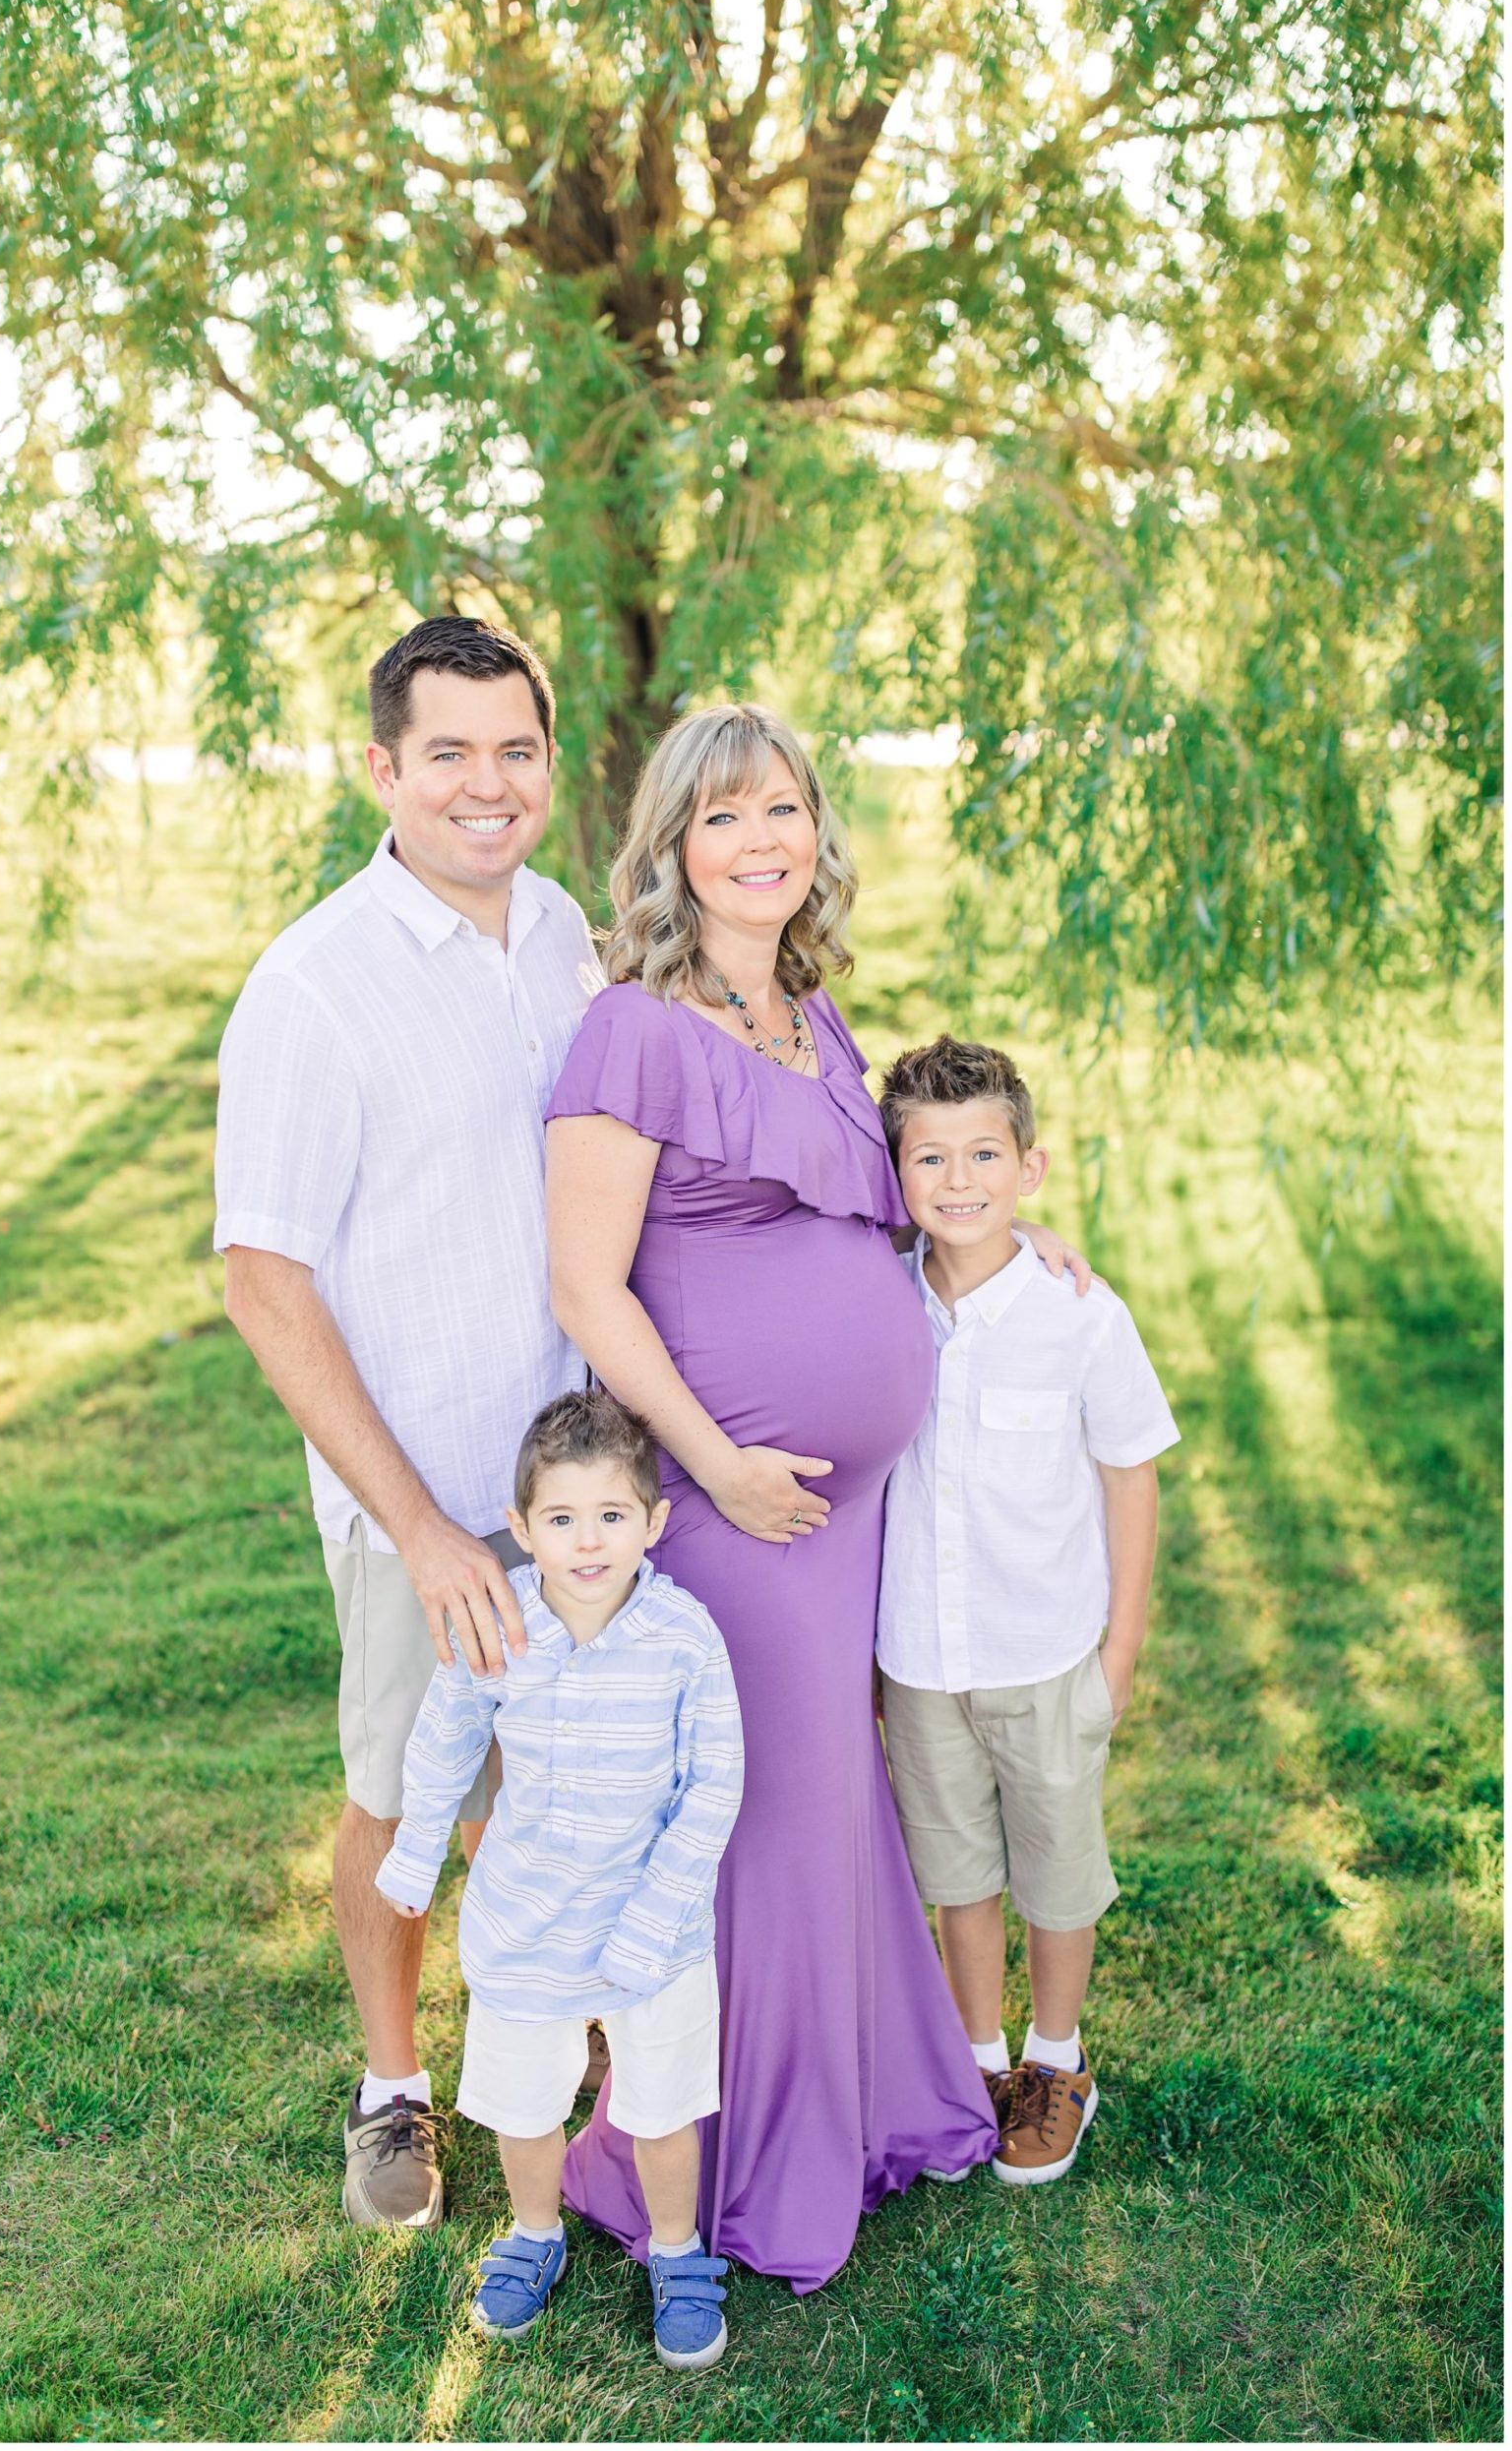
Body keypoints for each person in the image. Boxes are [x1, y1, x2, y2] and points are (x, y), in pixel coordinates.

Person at [542, 702, 1091, 2295]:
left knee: (827, 1802)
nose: (760, 840)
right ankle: (736, 2159)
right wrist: (711, 1462)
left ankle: (859, 2103)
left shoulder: (819, 1017)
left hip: (840, 1510)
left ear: (814, 830)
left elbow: (894, 1213)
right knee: (761, 1814)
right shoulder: (631, 1029)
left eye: (781, 807)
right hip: (729, 1498)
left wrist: (1018, 1250)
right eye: (722, 818)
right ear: (671, 847)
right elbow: (588, 1286)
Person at [213, 616, 602, 2231]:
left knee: (559, 1784)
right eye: (446, 752)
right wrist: (426, 1527)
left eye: (513, 749)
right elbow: (261, 1280)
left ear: (548, 767)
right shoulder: (313, 988)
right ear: (382, 769)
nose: (484, 783)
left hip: (575, 1485)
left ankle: (545, 2049)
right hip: (415, 1499)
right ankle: (389, 2091)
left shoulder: (565, 933)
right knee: (401, 1804)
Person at [376, 1389, 744, 2371]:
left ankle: (676, 2251)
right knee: (526, 2101)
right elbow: (449, 1729)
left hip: (651, 1929)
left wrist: (653, 1918)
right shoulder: (504, 1622)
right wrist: (416, 1846)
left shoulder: (682, 1637)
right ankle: (533, 2232)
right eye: (562, 1519)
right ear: (521, 1527)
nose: (588, 1541)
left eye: (612, 1516)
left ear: (653, 1522)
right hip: (525, 1915)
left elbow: (713, 1784)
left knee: (662, 2102)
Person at [876, 1035, 1179, 2183]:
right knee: (956, 1870)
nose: (958, 1181)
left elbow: (1129, 1471)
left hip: (1045, 1650)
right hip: (916, 1655)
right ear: (895, 1176)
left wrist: (1121, 1648)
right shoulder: (881, 1301)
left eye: (983, 1155)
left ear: (1030, 1166)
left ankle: (1057, 2060)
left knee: (1054, 1865)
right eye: (929, 1160)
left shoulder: (1078, 1314)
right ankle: (977, 2057)